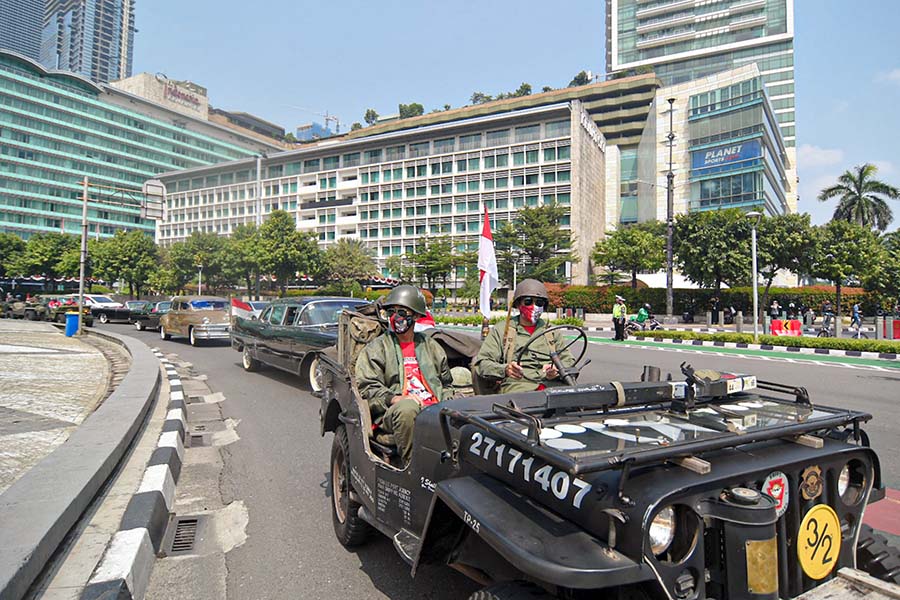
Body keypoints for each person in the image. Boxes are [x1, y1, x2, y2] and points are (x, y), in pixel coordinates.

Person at [355, 285, 452, 463]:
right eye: (392, 312)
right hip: (395, 411)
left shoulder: (431, 346)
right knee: (407, 408)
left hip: (432, 405)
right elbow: (367, 388)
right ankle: (411, 465)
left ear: (415, 315)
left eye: (402, 312)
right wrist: (394, 398)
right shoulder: (377, 349)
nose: (396, 317)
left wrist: (451, 398)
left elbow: (446, 383)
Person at [474, 279, 575, 393]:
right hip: (517, 386)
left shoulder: (551, 331)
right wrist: (506, 369)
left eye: (539, 303)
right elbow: (482, 364)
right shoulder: (503, 330)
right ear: (518, 304)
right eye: (528, 302)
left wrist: (557, 370)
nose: (534, 306)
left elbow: (569, 361)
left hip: (552, 386)